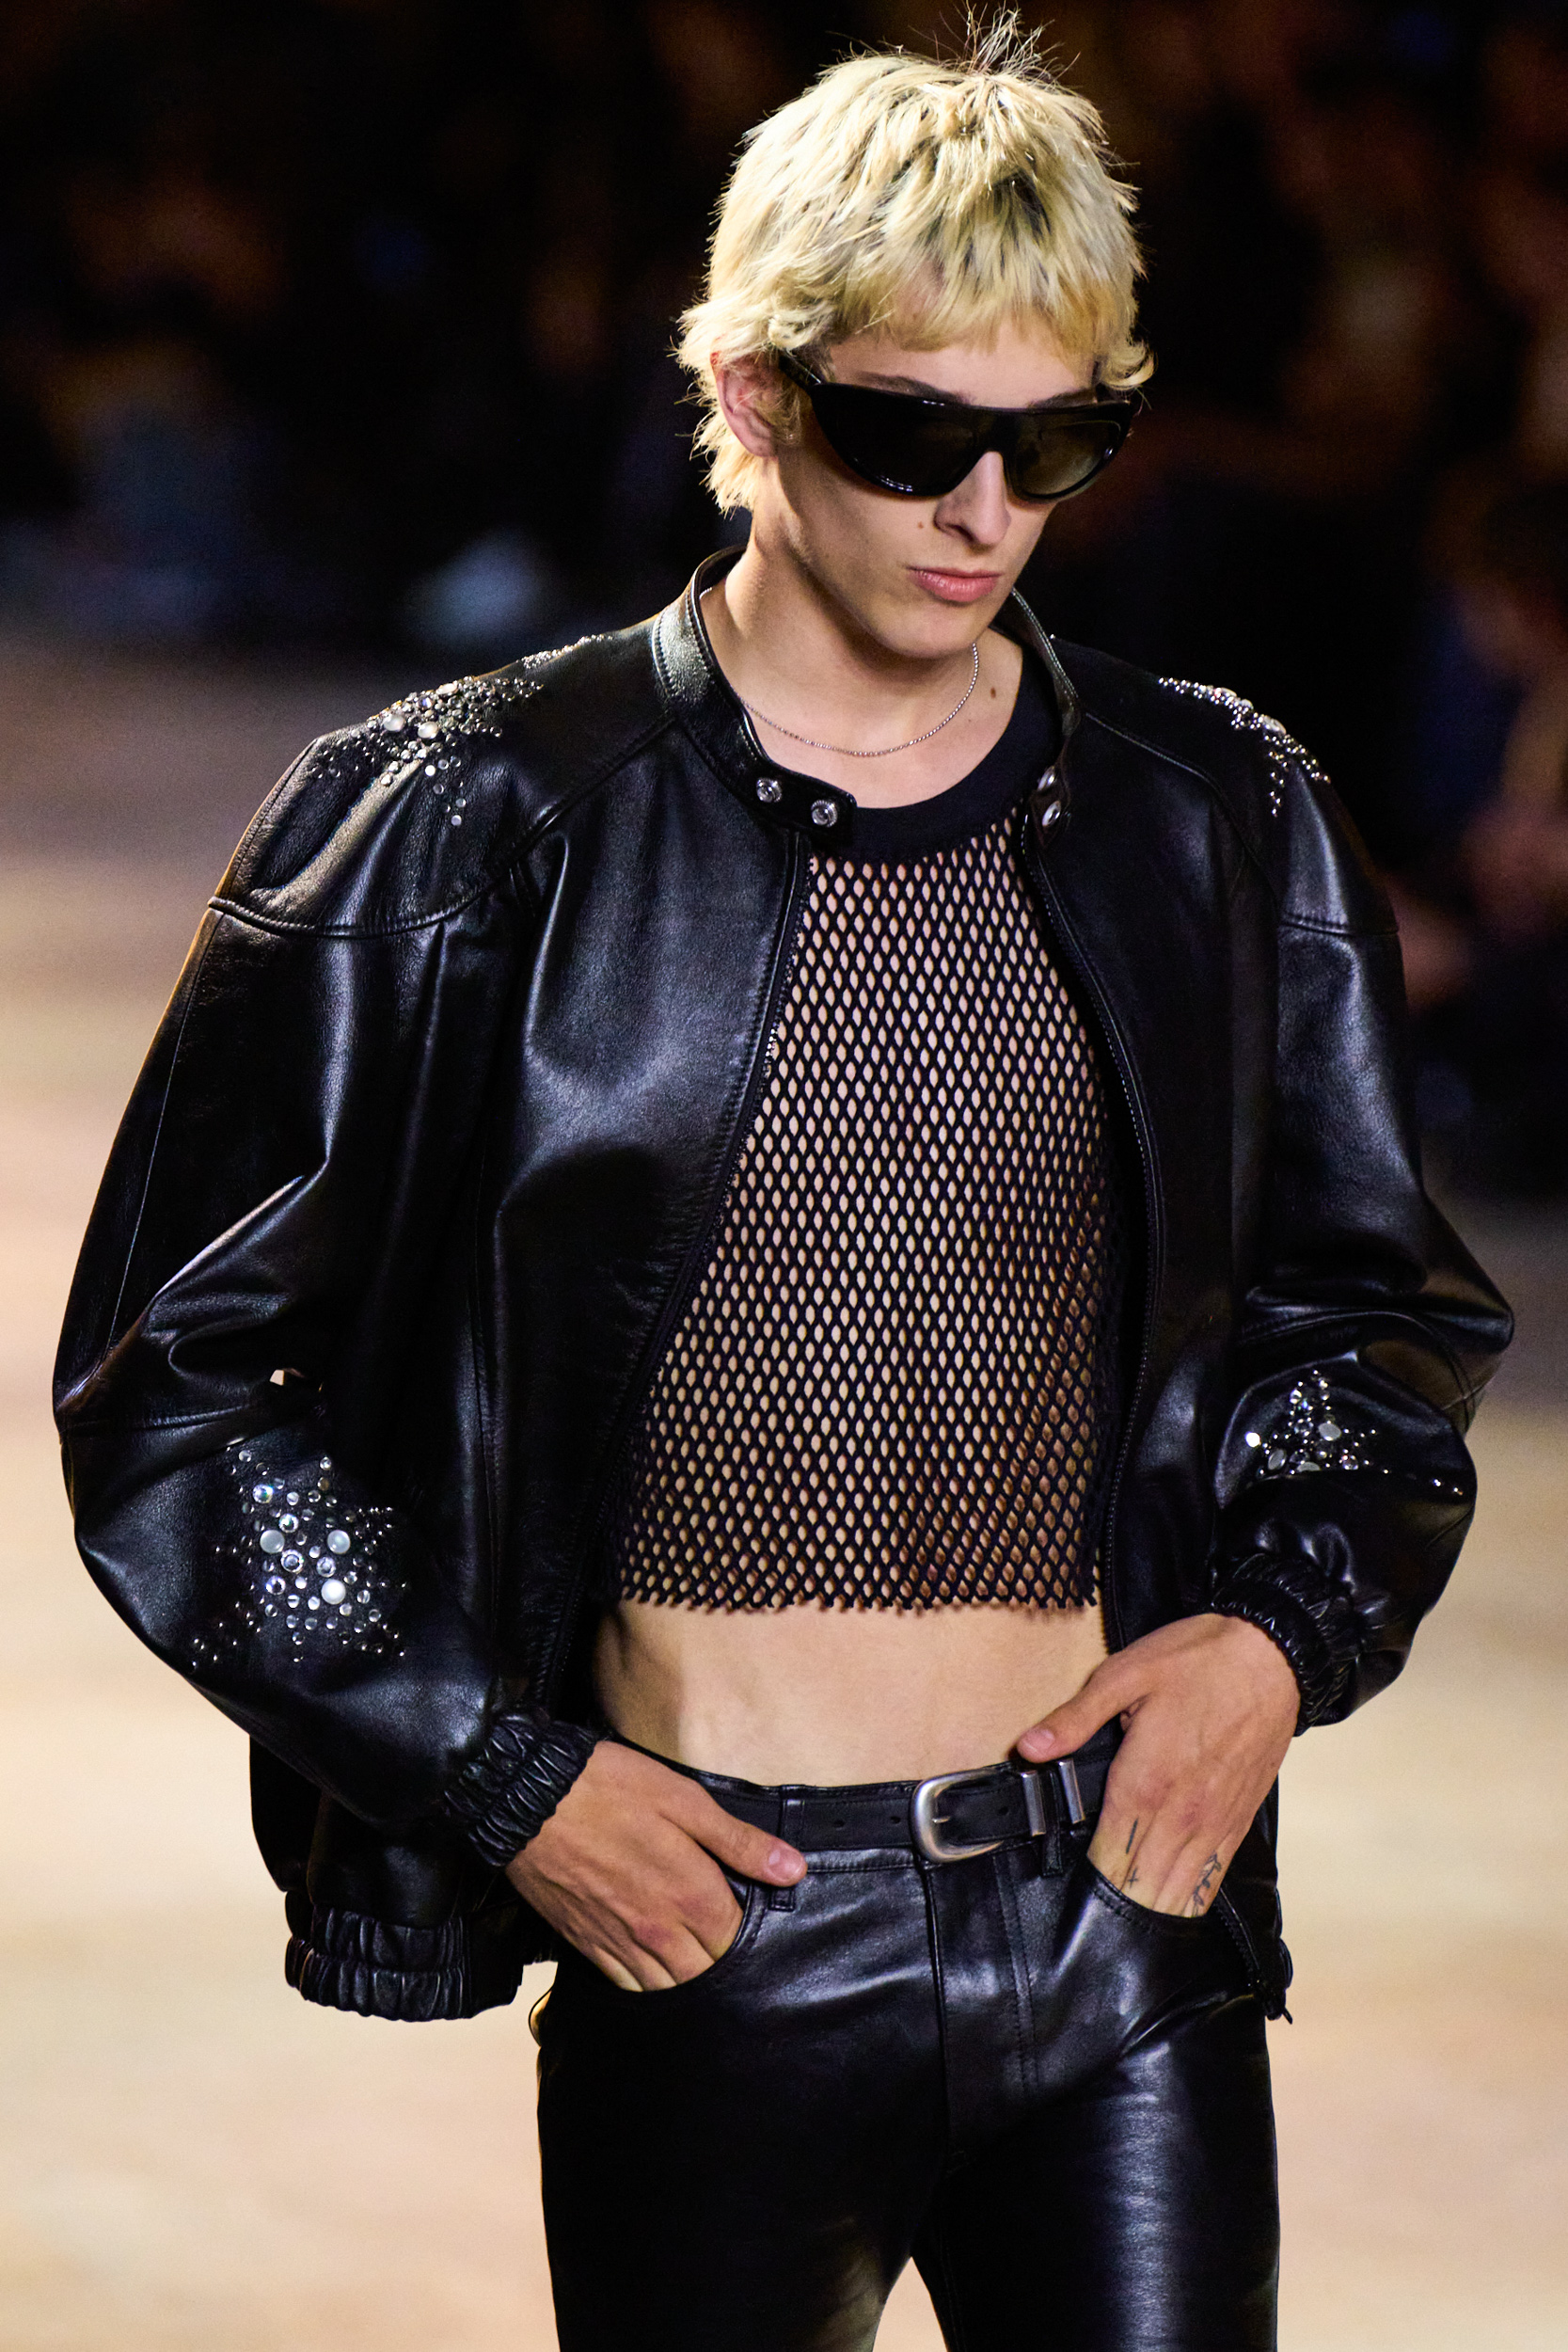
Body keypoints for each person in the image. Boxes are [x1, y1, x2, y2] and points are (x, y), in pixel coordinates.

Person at [55, 31, 1510, 2352]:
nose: (986, 511)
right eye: (915, 435)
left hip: (1121, 1913)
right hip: (713, 1919)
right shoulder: (466, 824)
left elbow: (1375, 1308)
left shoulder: (1215, 818)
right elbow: (180, 1387)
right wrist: (504, 1773)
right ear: (749, 392)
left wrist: (1277, 1636)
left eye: (1058, 445)